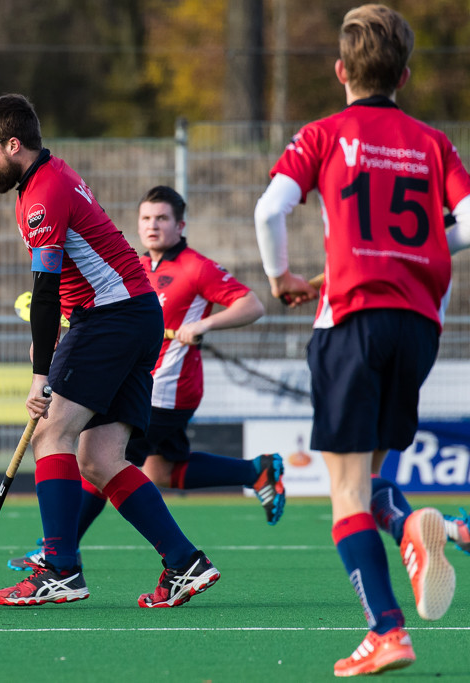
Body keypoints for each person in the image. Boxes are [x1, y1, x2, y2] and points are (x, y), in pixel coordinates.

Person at [253, 5, 470, 676]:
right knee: (368, 475)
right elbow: (468, 223)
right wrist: (428, 245)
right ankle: (411, 528)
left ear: (341, 70)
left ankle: (387, 632)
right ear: (403, 76)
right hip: (418, 326)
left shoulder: (324, 133)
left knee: (343, 491)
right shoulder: (434, 143)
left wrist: (281, 277)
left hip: (350, 321)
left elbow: (269, 210)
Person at [0, 93, 220, 608]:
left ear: (12, 145)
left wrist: (41, 374)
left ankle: (60, 569)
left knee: (50, 432)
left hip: (111, 317)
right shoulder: (47, 177)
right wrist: (55, 340)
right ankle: (184, 562)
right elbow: (68, 278)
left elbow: (44, 288)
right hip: (131, 314)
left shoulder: (43, 193)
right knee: (100, 458)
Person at [10, 185, 282, 571]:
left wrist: (203, 324)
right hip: (134, 380)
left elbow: (251, 304)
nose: (153, 226)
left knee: (100, 461)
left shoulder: (196, 267)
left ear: (180, 225)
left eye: (162, 219)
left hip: (169, 388)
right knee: (159, 470)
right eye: (146, 218)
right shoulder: (132, 266)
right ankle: (256, 471)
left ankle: (57, 550)